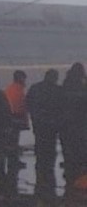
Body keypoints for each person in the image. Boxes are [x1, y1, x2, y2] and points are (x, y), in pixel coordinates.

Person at [26, 68, 63, 200]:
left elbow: (28, 103)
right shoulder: (58, 90)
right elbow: (62, 107)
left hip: (39, 124)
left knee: (40, 145)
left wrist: (34, 117)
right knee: (50, 148)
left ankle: (40, 168)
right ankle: (48, 170)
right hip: (52, 125)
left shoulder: (35, 88)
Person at [59, 63, 87, 193]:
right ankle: (79, 172)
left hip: (66, 123)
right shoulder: (82, 87)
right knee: (81, 148)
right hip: (80, 123)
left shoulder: (65, 86)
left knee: (68, 148)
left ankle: (70, 170)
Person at [5, 70, 30, 167]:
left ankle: (13, 160)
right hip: (15, 117)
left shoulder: (10, 89)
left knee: (12, 141)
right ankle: (13, 161)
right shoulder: (18, 90)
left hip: (11, 117)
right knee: (13, 141)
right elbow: (21, 105)